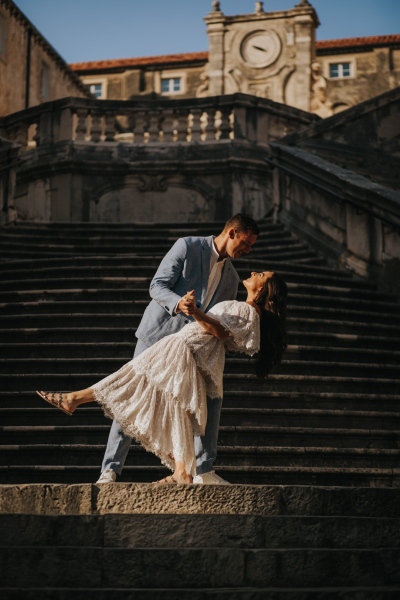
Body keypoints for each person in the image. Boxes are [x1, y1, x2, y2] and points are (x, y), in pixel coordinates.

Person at [37, 271, 287, 484]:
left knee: (134, 376)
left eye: (261, 275)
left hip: (184, 347)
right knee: (171, 402)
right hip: (187, 350)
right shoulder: (248, 311)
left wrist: (195, 311)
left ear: (263, 287)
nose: (254, 273)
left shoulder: (246, 309)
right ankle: (181, 470)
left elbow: (220, 332)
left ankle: (75, 399)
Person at [101, 214, 260, 484]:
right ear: (232, 232)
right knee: (129, 399)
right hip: (157, 335)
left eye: (250, 247)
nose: (247, 251)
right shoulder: (187, 246)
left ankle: (201, 469)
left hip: (190, 349)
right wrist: (179, 304)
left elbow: (215, 321)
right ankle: (110, 470)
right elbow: (157, 285)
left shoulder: (232, 278)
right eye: (245, 243)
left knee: (206, 402)